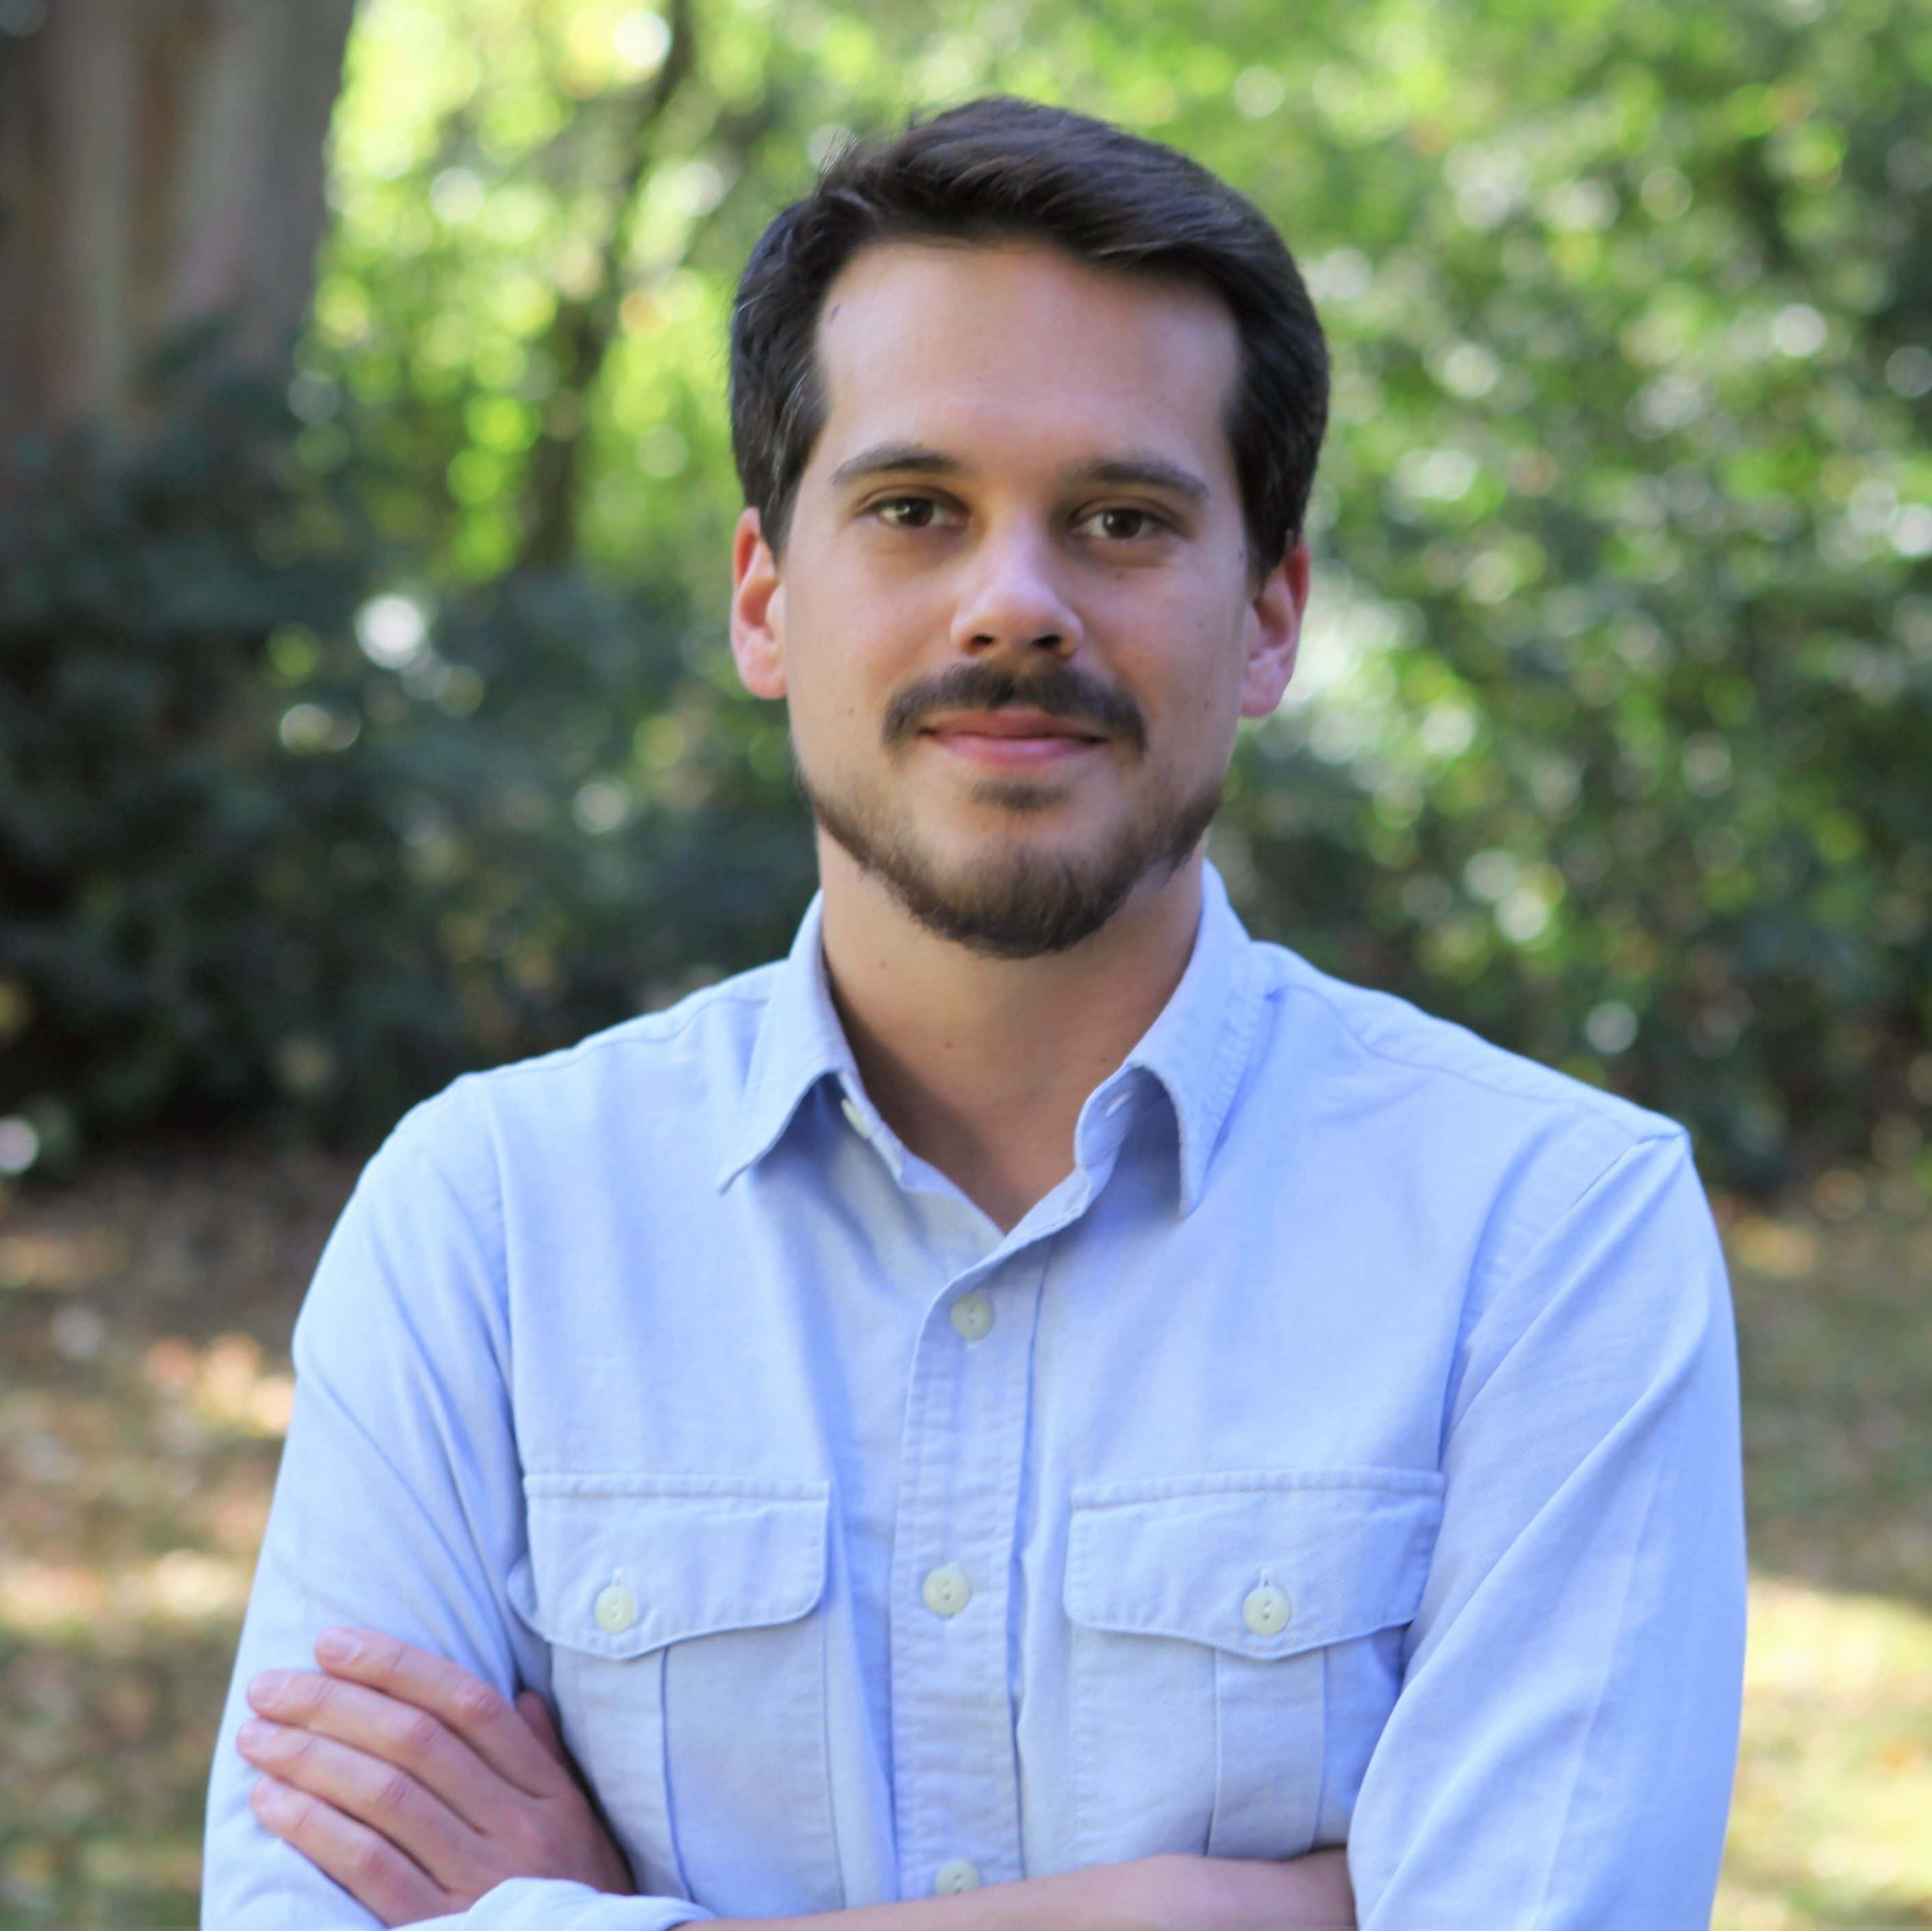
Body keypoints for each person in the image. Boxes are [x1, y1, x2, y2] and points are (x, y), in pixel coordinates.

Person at [201, 95, 1747, 1931]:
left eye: (1119, 517)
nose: (1014, 603)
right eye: (915, 508)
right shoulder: (490, 1222)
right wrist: (1272, 1905)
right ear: (766, 597)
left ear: (1268, 621)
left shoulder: (1548, 1229)